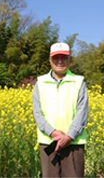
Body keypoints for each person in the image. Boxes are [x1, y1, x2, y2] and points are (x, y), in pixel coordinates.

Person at [32, 42, 89, 177]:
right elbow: (37, 113)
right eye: (56, 57)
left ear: (70, 59)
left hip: (73, 143)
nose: (60, 61)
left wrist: (68, 136)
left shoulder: (78, 82)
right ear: (50, 59)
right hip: (48, 142)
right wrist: (52, 132)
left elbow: (82, 112)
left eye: (64, 57)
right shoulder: (40, 83)